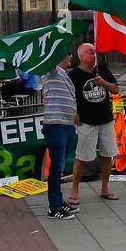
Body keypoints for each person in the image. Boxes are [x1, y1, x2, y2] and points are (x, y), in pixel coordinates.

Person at [68, 44, 121, 205]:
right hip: (86, 121)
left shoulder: (102, 70)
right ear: (82, 56)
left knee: (108, 154)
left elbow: (116, 89)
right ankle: (74, 190)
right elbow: (70, 97)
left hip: (105, 119)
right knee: (82, 157)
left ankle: (105, 188)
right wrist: (74, 113)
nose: (94, 56)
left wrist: (104, 83)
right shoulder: (74, 75)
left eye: (95, 53)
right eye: (91, 53)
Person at [40, 53, 79, 219]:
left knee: (60, 168)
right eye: (67, 53)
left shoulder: (64, 74)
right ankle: (54, 208)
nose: (70, 56)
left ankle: (59, 201)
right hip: (56, 126)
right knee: (56, 168)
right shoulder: (52, 70)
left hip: (67, 125)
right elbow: (48, 56)